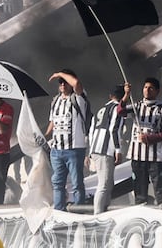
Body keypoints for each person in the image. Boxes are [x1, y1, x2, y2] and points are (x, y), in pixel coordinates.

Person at [118, 77, 162, 207]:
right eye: (145, 87)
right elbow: (120, 111)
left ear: (157, 91)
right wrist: (126, 94)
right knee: (139, 190)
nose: (147, 90)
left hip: (156, 158)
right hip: (137, 156)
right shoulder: (137, 106)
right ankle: (141, 211)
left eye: (151, 88)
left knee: (159, 189)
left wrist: (150, 138)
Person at [45, 69, 88, 210]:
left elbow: (77, 84)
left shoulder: (78, 97)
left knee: (77, 184)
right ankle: (59, 211)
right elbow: (52, 121)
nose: (62, 84)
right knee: (57, 183)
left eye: (65, 82)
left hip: (74, 149)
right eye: (60, 82)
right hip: (57, 150)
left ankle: (79, 212)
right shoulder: (56, 101)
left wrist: (59, 74)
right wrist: (45, 136)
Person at [88, 83, 127, 214]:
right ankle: (97, 215)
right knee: (104, 184)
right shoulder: (118, 109)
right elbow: (114, 130)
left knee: (108, 183)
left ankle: (103, 210)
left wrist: (90, 152)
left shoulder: (100, 109)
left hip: (96, 148)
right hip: (106, 149)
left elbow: (92, 131)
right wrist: (118, 150)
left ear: (110, 96)